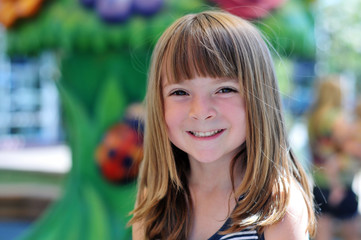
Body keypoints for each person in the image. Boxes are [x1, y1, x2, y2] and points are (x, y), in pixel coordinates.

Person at [129, 10, 316, 240]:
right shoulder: (155, 199)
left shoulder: (277, 209)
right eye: (180, 92)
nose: (200, 111)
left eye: (224, 89)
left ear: (259, 98)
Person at [308, 77, 361, 240]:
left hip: (320, 178)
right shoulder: (333, 117)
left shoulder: (314, 116)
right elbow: (350, 143)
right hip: (337, 181)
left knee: (323, 226)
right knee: (353, 228)